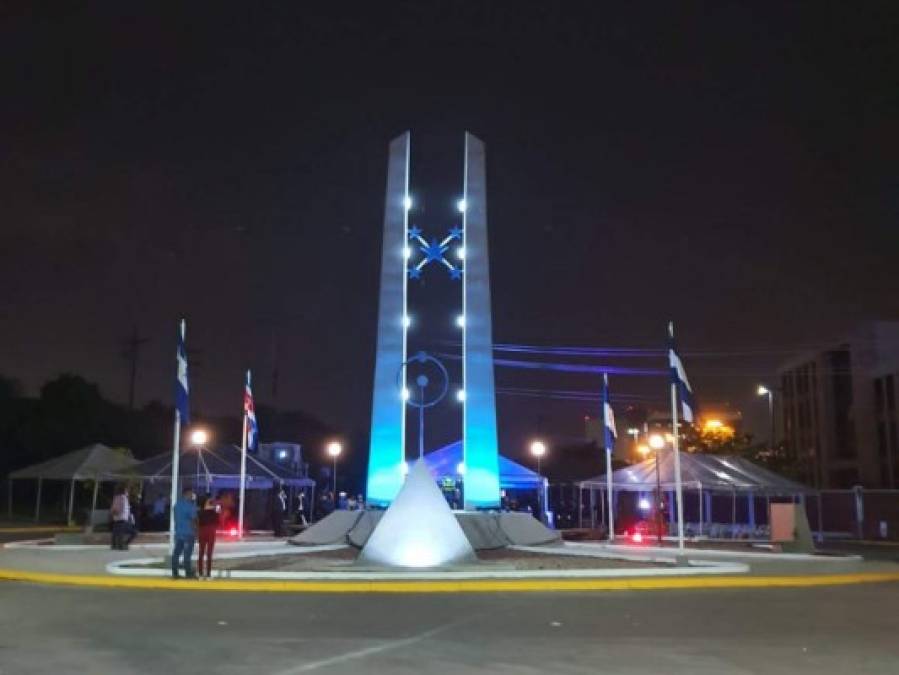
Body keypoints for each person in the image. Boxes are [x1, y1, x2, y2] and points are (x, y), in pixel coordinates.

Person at [172, 487, 198, 579]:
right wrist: (196, 532)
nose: (192, 496)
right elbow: (193, 520)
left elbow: (175, 518)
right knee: (187, 555)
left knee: (176, 554)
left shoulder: (177, 505)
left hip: (179, 533)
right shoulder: (191, 506)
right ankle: (188, 573)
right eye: (191, 494)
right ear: (187, 494)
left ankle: (175, 573)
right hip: (188, 533)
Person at [197, 494, 219, 579]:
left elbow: (218, 514)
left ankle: (206, 573)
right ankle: (202, 573)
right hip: (206, 531)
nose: (211, 501)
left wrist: (214, 506)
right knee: (202, 553)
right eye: (210, 500)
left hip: (207, 531)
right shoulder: (201, 510)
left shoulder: (213, 510)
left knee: (208, 553)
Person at [110, 484, 136, 550]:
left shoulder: (116, 497)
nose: (127, 492)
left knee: (116, 532)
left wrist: (114, 513)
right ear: (124, 491)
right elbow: (123, 508)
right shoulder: (123, 498)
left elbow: (113, 507)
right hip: (122, 517)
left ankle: (114, 545)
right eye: (126, 490)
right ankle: (122, 545)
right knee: (132, 532)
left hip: (116, 518)